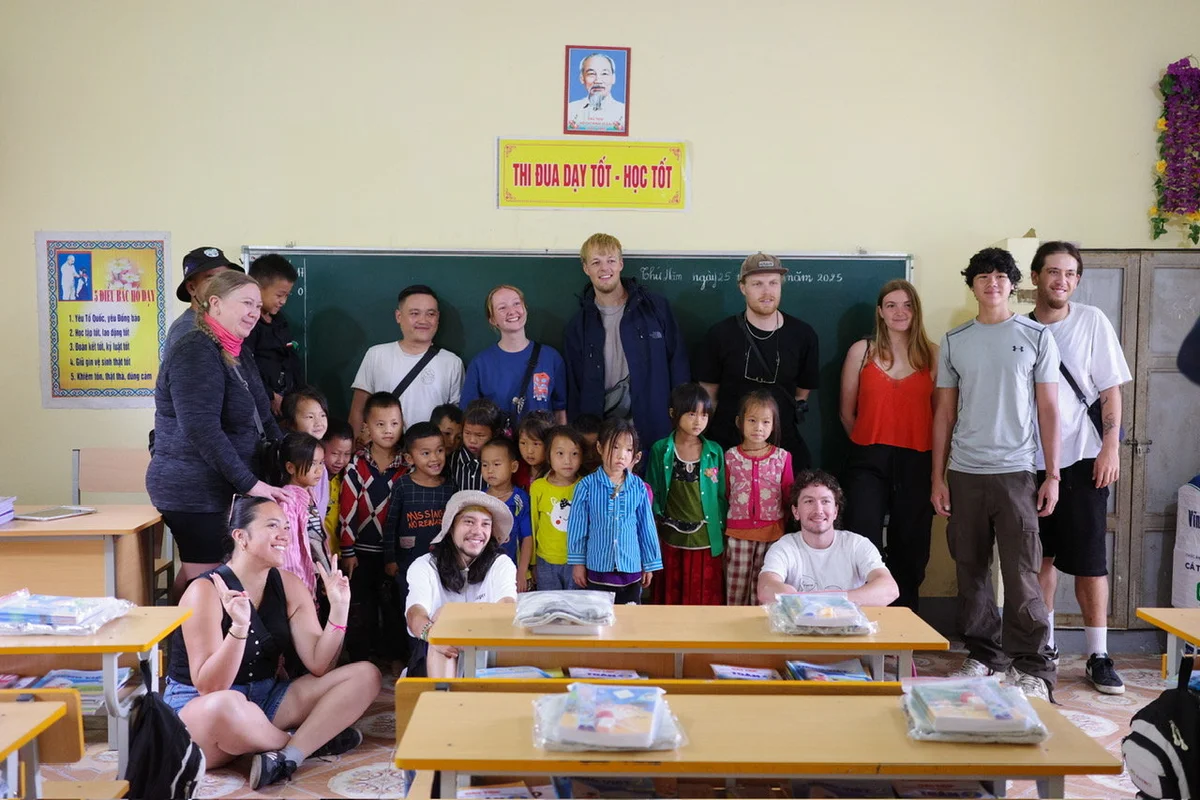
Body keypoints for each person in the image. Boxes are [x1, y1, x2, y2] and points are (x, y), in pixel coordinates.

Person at [164, 496, 379, 790]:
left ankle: (287, 756)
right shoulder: (204, 590)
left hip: (266, 700)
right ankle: (303, 745)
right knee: (228, 704)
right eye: (273, 526)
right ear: (241, 537)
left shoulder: (289, 584)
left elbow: (319, 664)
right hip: (202, 711)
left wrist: (339, 610)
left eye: (288, 527)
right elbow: (209, 687)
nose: (285, 536)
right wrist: (239, 627)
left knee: (366, 675)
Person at [932, 247, 1061, 702]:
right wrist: (938, 477)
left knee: (1022, 570)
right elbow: (944, 414)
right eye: (983, 276)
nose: (992, 283)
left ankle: (1033, 666)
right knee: (970, 569)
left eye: (1001, 276)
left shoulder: (1036, 336)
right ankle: (983, 655)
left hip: (1017, 473)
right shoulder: (955, 341)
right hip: (965, 472)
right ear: (972, 285)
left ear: (1013, 283)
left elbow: (1048, 409)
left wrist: (1053, 475)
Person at [1029, 241, 1132, 695]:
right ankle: (1045, 646)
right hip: (1030, 458)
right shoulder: (1019, 327)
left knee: (1090, 558)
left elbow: (1110, 389)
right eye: (1053, 272)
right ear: (1036, 277)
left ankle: (1098, 654)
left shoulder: (1092, 321)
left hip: (1086, 455)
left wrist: (1111, 446)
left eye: (1070, 274)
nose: (1062, 281)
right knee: (1040, 556)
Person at [147, 271, 287, 596]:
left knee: (214, 576)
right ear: (215, 304)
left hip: (224, 487)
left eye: (257, 305)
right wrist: (251, 484)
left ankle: (179, 636)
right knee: (209, 581)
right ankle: (181, 644)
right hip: (194, 491)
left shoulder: (237, 350)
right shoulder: (195, 350)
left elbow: (264, 416)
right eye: (246, 303)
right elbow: (201, 429)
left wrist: (290, 462)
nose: (254, 312)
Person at [838, 279, 937, 612]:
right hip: (868, 459)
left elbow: (942, 417)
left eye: (907, 305)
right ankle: (863, 619)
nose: (900, 312)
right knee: (862, 538)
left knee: (911, 546)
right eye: (891, 305)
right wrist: (872, 439)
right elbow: (846, 412)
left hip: (918, 460)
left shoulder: (934, 355)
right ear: (880, 312)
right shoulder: (861, 352)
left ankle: (903, 621)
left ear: (917, 310)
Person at [564, 233, 690, 462]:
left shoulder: (655, 309)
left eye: (611, 260)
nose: (605, 268)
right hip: (602, 440)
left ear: (621, 263)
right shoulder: (578, 325)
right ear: (585, 268)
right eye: (596, 262)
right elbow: (573, 387)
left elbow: (678, 364)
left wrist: (680, 420)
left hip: (655, 432)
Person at [697, 252, 819, 470]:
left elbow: (801, 394)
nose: (767, 291)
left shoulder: (803, 335)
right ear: (743, 288)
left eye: (773, 283)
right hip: (728, 452)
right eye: (757, 284)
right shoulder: (719, 335)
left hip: (783, 451)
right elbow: (709, 398)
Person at [405, 491, 518, 678]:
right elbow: (415, 613)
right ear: (451, 527)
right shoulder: (424, 565)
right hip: (433, 654)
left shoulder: (501, 564)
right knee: (442, 620)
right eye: (469, 522)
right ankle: (445, 701)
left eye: (485, 524)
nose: (477, 531)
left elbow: (506, 607)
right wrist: (434, 635)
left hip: (484, 652)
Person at [756, 471, 899, 606]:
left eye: (825, 501)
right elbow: (766, 589)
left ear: (835, 511)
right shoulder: (784, 547)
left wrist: (828, 602)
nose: (818, 510)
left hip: (850, 628)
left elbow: (889, 589)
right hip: (799, 628)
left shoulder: (857, 544)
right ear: (796, 512)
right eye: (809, 501)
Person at [338, 392, 407, 663]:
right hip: (361, 552)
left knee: (393, 606)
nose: (388, 430)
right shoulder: (357, 464)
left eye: (394, 423)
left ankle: (394, 658)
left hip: (394, 552)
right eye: (380, 425)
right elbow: (347, 510)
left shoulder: (407, 466)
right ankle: (361, 660)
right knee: (362, 608)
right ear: (366, 426)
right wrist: (347, 550)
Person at [383, 422, 456, 668]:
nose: (435, 458)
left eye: (439, 451)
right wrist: (390, 559)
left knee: (438, 611)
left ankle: (436, 658)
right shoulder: (403, 486)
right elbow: (390, 524)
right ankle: (413, 661)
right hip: (407, 566)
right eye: (425, 453)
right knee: (411, 611)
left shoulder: (450, 487)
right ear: (409, 457)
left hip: (442, 568)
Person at [646, 383, 727, 605]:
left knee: (703, 596)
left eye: (704, 415)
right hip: (671, 536)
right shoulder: (660, 449)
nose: (698, 421)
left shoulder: (714, 451)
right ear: (674, 413)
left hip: (706, 539)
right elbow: (651, 494)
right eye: (691, 414)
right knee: (671, 595)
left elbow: (721, 495)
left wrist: (722, 532)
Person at [567, 418, 663, 603]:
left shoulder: (639, 487)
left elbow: (646, 527)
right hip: (598, 567)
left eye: (628, 450)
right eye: (615, 447)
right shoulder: (586, 486)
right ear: (600, 448)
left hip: (631, 568)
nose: (621, 455)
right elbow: (577, 528)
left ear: (635, 455)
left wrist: (649, 564)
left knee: (630, 620)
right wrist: (578, 563)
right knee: (599, 616)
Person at [349, 285, 463, 438]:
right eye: (415, 313)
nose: (423, 320)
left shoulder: (452, 362)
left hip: (432, 455)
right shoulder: (376, 355)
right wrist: (354, 452)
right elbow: (358, 411)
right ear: (398, 316)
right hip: (383, 453)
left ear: (438, 318)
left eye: (431, 314)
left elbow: (457, 419)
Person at [724, 391, 795, 606]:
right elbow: (726, 493)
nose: (758, 427)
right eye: (752, 420)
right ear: (739, 422)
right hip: (738, 534)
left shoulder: (782, 458)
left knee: (764, 594)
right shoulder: (730, 457)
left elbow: (788, 495)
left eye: (766, 422)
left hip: (772, 535)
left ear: (774, 424)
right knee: (735, 591)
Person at [461, 285, 568, 427]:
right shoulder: (480, 364)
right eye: (502, 307)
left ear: (525, 308)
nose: (512, 311)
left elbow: (560, 412)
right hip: (499, 446)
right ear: (492, 319)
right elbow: (470, 418)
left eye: (517, 303)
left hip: (541, 445)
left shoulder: (551, 358)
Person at [267, 432, 326, 599]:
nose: (319, 470)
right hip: (298, 587)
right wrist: (301, 591)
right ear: (290, 467)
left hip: (313, 580)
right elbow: (290, 555)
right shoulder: (287, 503)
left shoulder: (310, 495)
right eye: (312, 464)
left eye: (321, 463)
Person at [244, 254, 302, 418]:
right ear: (257, 288)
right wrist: (268, 395)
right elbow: (244, 366)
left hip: (286, 401)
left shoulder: (280, 320)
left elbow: (290, 357)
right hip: (261, 405)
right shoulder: (248, 324)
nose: (283, 301)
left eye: (287, 296)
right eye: (279, 295)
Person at [531, 426, 585, 591]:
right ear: (549, 455)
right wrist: (532, 563)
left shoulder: (585, 485)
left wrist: (582, 562)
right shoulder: (538, 487)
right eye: (560, 453)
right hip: (545, 561)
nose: (567, 461)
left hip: (575, 563)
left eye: (574, 454)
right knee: (549, 608)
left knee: (575, 608)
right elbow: (534, 525)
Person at [165, 246, 244, 354]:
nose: (220, 284)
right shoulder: (187, 328)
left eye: (225, 277)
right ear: (192, 288)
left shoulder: (220, 323)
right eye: (210, 278)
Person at [481, 437, 533, 592]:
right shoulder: (479, 500)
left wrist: (522, 571)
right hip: (486, 573)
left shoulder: (519, 499)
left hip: (513, 571)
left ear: (513, 466)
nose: (490, 470)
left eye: (496, 464)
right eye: (485, 465)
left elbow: (527, 538)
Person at [282, 386, 331, 522]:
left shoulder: (320, 455)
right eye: (310, 417)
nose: (319, 422)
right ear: (292, 424)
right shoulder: (291, 455)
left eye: (322, 415)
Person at [449, 399, 503, 492]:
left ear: (495, 434)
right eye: (467, 433)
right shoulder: (452, 459)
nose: (472, 440)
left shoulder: (502, 461)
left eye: (480, 435)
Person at [565, 52, 627, 133]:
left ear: (613, 78)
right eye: (591, 74)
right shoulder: (570, 110)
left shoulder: (624, 111)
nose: (598, 81)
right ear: (582, 78)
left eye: (604, 73)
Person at [321, 420, 355, 561]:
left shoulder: (347, 478)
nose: (341, 460)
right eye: (335, 453)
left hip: (339, 555)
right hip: (319, 554)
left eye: (347, 454)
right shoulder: (313, 480)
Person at [515, 411, 555, 490]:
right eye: (523, 443)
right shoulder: (516, 470)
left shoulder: (556, 473)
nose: (529, 451)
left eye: (536, 444)